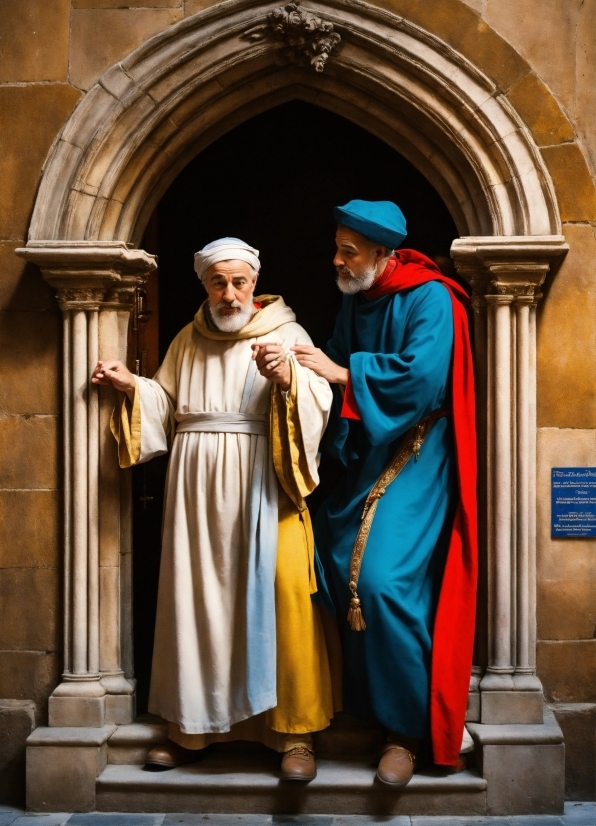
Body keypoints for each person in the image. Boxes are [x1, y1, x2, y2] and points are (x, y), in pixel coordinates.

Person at [92, 237, 336, 780]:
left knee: (284, 594)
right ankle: (192, 729)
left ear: (254, 283)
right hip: (196, 491)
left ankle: (293, 736)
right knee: (197, 601)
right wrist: (133, 385)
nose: (229, 294)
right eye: (218, 283)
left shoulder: (287, 333)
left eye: (239, 282)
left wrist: (289, 378)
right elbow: (166, 400)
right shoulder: (188, 337)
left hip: (264, 483)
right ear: (205, 285)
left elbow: (321, 398)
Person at [292, 200, 477, 786]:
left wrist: (343, 374)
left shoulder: (432, 298)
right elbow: (327, 359)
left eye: (349, 250)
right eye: (338, 247)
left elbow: (421, 378)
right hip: (368, 452)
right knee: (319, 564)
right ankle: (350, 710)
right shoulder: (358, 295)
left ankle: (407, 732)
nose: (338, 260)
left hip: (420, 453)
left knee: (382, 582)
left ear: (382, 253)